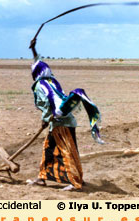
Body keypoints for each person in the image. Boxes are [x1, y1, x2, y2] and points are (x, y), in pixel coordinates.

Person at [28, 38, 103, 191]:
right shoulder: (52, 80)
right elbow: (39, 62)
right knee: (48, 149)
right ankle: (42, 178)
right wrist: (33, 49)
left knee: (67, 151)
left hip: (60, 123)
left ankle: (75, 181)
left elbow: (47, 105)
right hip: (64, 121)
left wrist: (44, 120)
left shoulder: (39, 86)